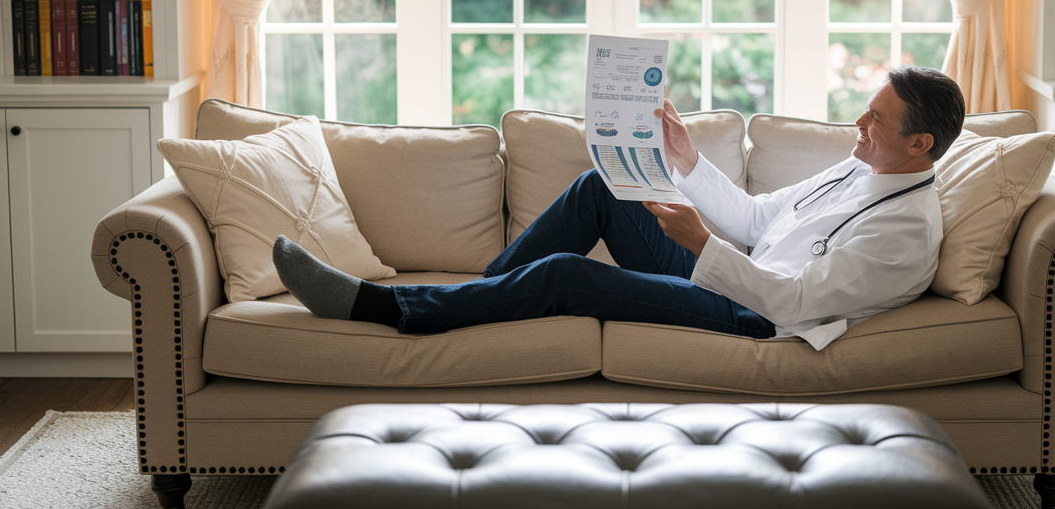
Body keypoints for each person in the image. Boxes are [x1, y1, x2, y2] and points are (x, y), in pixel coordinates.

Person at [273, 64, 966, 351]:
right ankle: (482, 302)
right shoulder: (859, 167)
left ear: (920, 144)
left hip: (755, 315)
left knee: (566, 278)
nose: (858, 126)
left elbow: (793, 303)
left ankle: (383, 308)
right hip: (734, 273)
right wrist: (686, 159)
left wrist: (700, 246)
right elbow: (758, 220)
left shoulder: (905, 231)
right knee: (601, 187)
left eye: (875, 120)